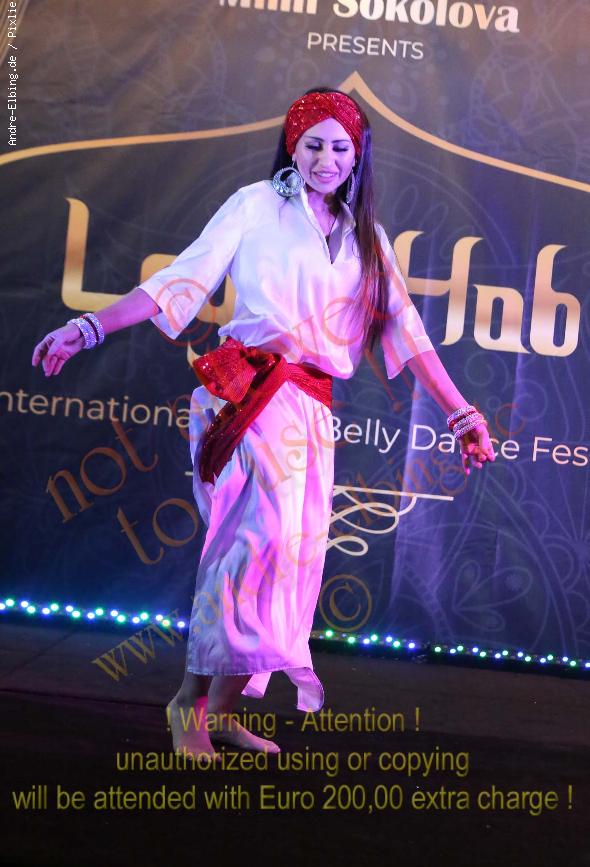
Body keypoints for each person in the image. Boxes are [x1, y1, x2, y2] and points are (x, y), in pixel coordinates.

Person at [31, 87, 496, 760]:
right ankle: (187, 705)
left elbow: (408, 331)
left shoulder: (367, 238)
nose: (326, 159)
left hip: (310, 410)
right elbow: (177, 282)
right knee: (251, 547)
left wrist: (460, 411)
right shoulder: (254, 205)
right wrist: (89, 327)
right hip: (246, 396)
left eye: (340, 147)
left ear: (358, 155)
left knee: (291, 559)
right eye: (313, 144)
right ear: (292, 147)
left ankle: (223, 710)